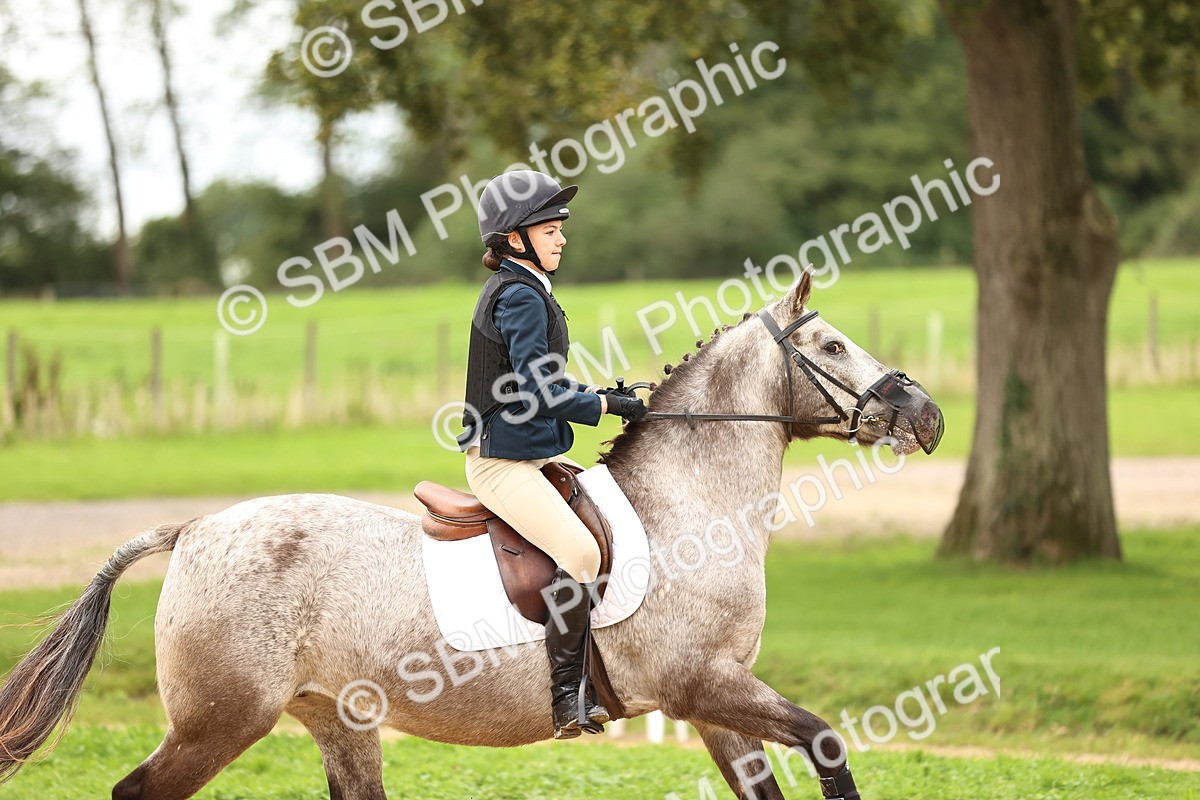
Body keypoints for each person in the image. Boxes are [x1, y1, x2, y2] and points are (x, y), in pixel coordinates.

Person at [456, 170, 647, 739]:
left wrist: (601, 395)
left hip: (530, 456)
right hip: (502, 464)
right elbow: (542, 391)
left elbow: (539, 379)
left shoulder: (528, 288)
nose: (562, 237)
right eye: (549, 227)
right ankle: (568, 695)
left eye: (561, 227)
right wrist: (606, 406)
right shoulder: (519, 295)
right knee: (581, 552)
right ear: (515, 238)